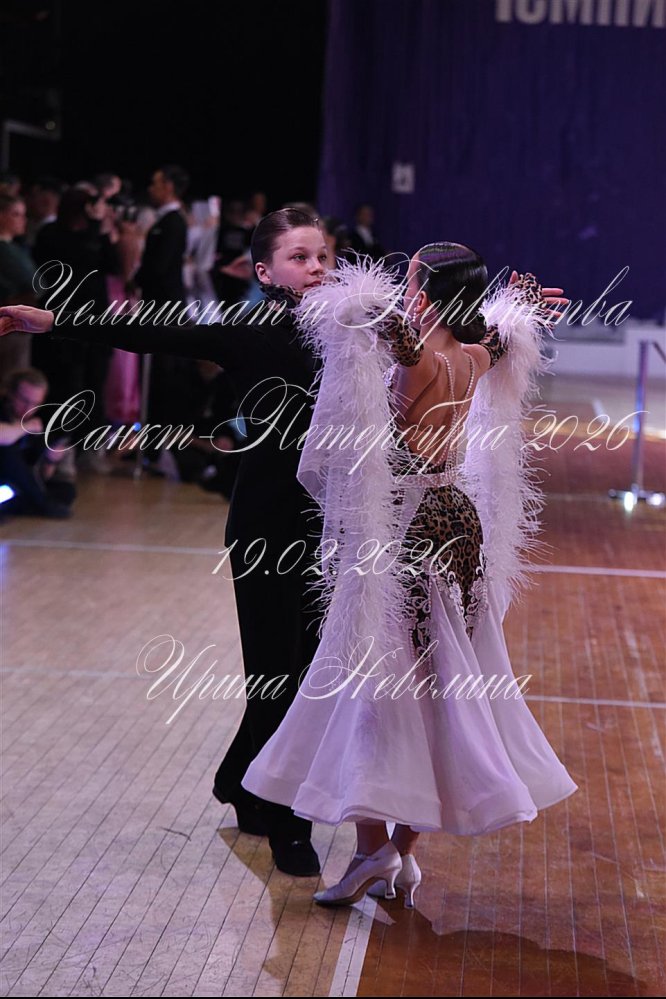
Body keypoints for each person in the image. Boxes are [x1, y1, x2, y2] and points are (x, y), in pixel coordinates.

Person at [240, 244, 578, 907]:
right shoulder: (474, 358)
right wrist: (520, 309)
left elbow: (374, 327)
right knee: (440, 686)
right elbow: (498, 339)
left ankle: (373, 852)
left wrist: (336, 297)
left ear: (422, 295)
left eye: (411, 282)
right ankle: (403, 853)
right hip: (456, 527)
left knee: (376, 687)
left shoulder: (413, 359)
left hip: (401, 534)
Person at [0, 208, 331, 876]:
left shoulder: (356, 332)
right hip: (267, 524)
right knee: (278, 674)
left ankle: (240, 778)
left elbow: (436, 335)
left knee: (310, 673)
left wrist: (508, 323)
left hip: (335, 527)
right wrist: (55, 320)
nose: (317, 269)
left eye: (323, 256)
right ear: (264, 273)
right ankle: (288, 823)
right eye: (299, 258)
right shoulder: (249, 330)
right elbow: (153, 330)